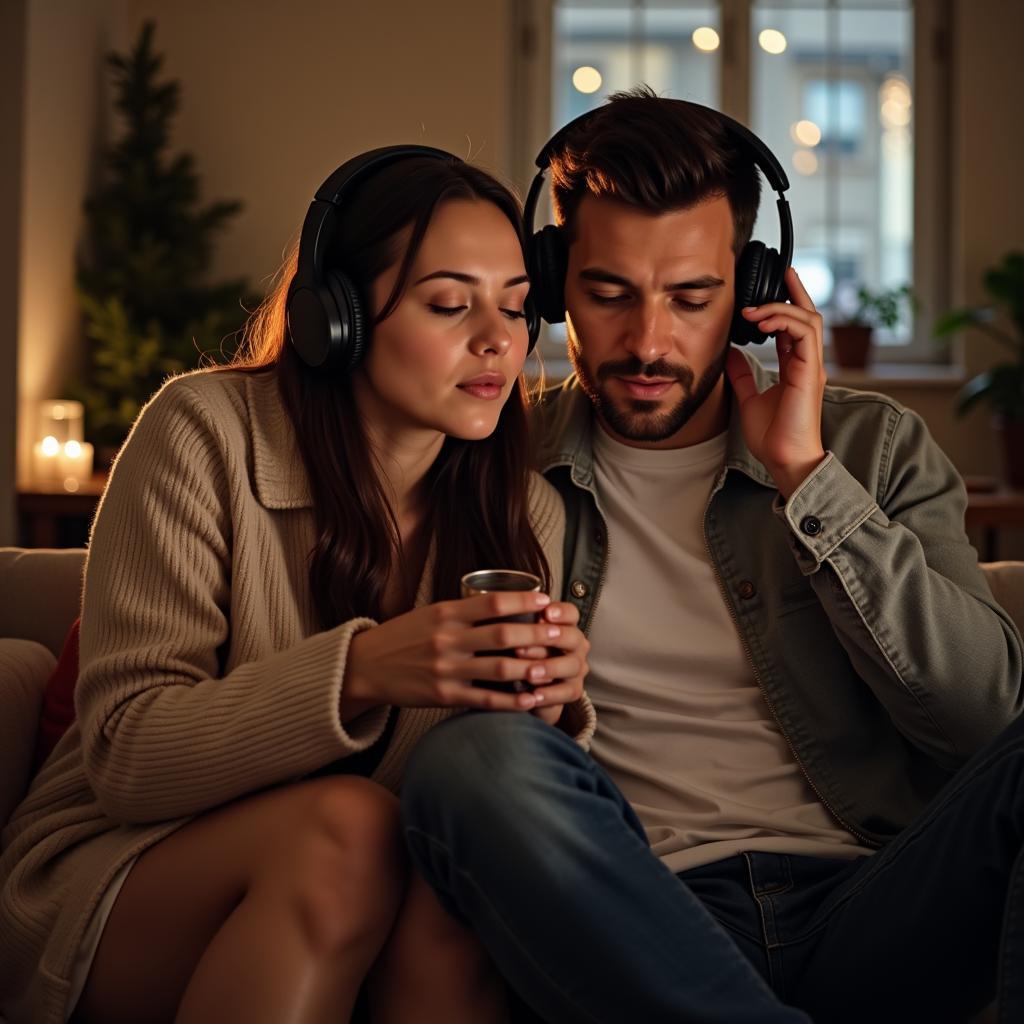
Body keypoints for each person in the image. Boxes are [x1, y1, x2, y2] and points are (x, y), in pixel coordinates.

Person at [400, 90, 1024, 1023]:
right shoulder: (492, 462)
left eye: (692, 298)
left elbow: (985, 721)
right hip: (642, 918)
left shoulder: (872, 449)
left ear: (752, 293)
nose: (649, 341)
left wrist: (807, 480)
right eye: (608, 294)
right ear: (554, 281)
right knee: (471, 760)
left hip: (878, 903)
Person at [0, 146, 594, 1024]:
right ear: (338, 316)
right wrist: (363, 671)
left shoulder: (526, 513)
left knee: (462, 877)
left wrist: (555, 714)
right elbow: (125, 755)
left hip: (378, 894)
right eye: (447, 303)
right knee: (348, 829)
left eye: (515, 307)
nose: (498, 340)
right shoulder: (200, 435)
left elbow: (500, 813)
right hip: (121, 871)